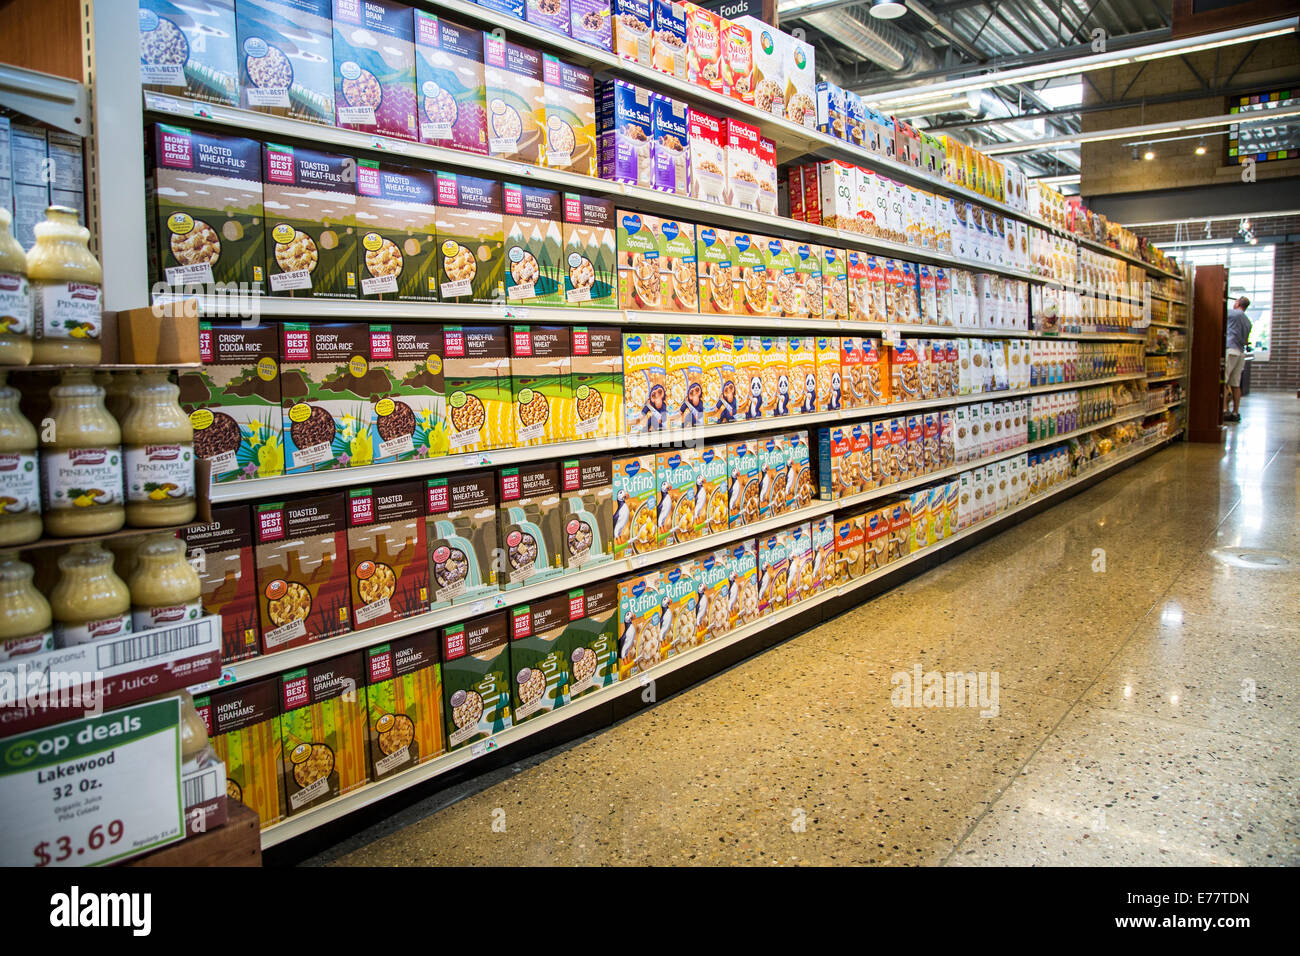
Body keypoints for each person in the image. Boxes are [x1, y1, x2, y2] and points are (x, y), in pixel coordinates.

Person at [1223, 296, 1252, 423]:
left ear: (1239, 303)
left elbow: (1220, 312)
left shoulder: (1233, 314)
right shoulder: (1247, 321)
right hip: (1240, 352)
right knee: (1235, 384)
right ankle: (1235, 412)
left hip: (1231, 350)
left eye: (1235, 301)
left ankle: (1224, 410)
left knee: (1224, 381)